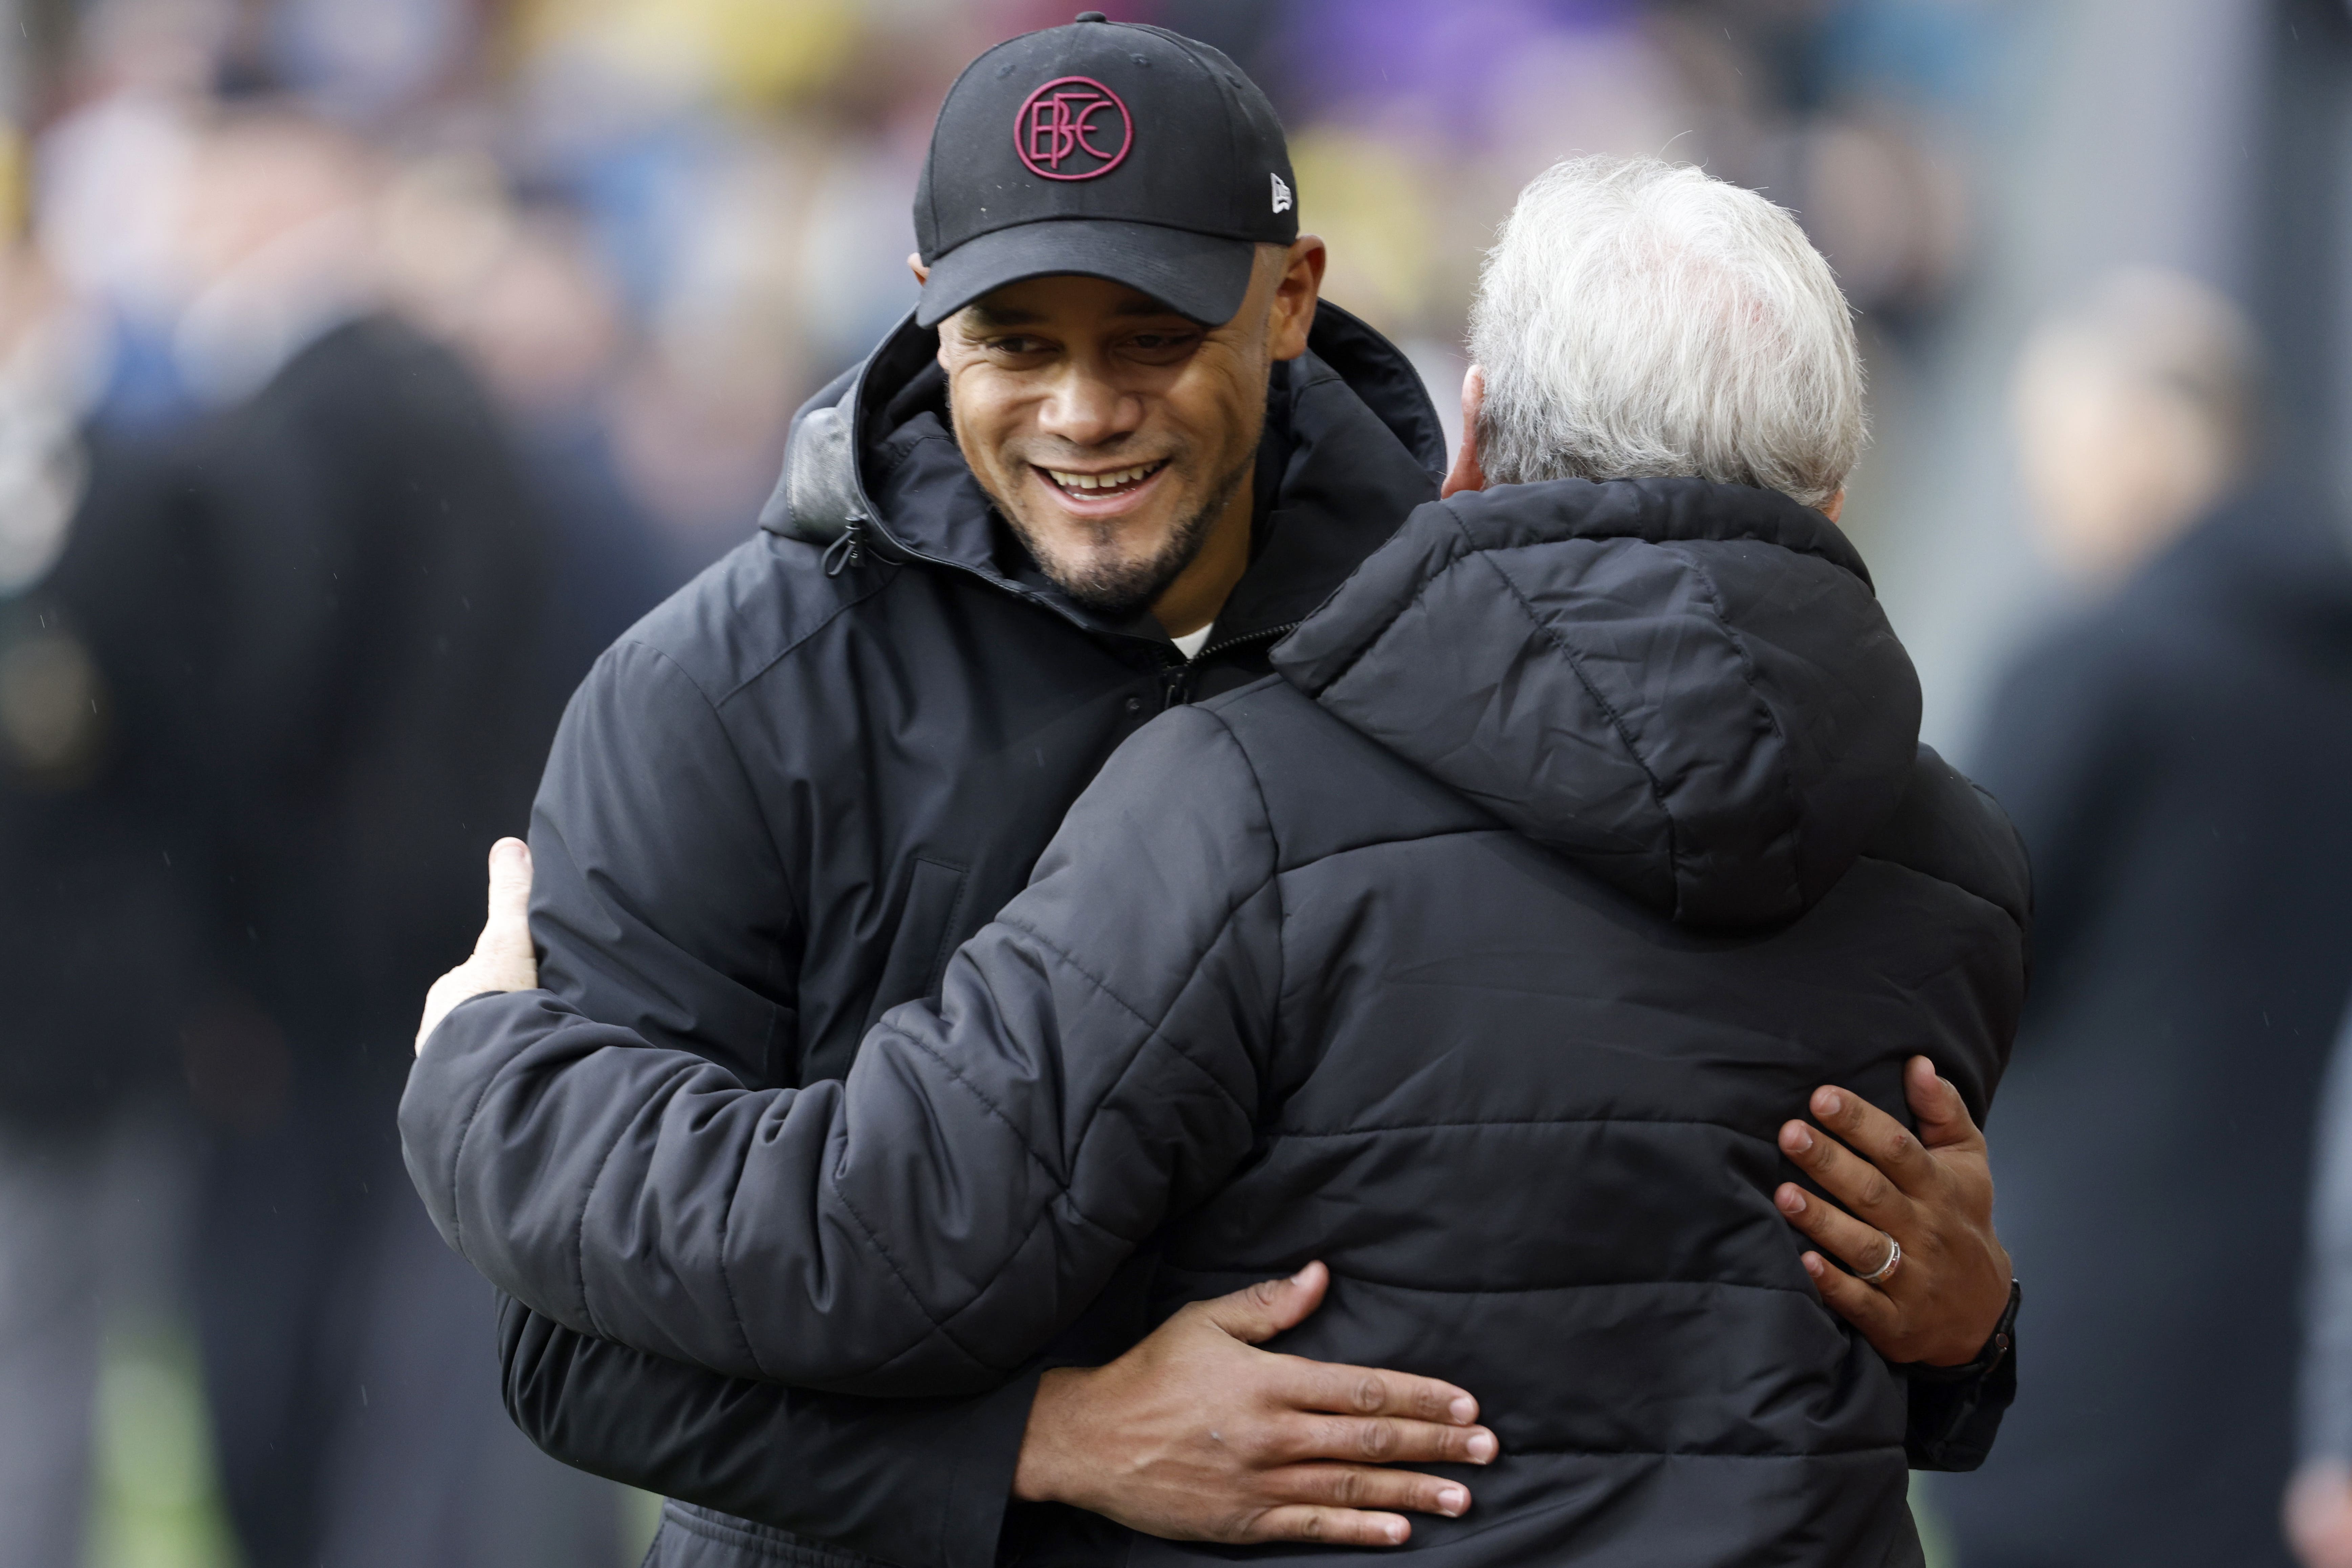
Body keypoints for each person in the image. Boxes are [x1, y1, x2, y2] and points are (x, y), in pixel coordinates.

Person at [404, 20, 2021, 1568]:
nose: (1086, 408)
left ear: (1296, 299)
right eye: (1013, 343)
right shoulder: (725, 690)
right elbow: (574, 1358)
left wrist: (1962, 1333)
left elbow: (1648, 1224)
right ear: (922, 317)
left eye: (1155, 338)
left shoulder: (1501, 646)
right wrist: (1048, 1440)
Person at [1938, 271, 2352, 1568]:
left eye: (2058, 451)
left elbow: (1955, 968)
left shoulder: (2095, 670)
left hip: (2084, 1357)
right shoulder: (2323, 679)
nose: (2049, 498)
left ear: (2148, 439)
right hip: (2275, 1363)